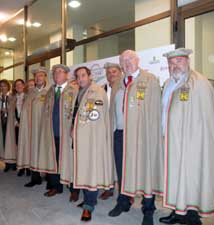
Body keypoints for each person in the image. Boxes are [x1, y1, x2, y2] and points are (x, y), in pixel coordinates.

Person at [159, 48, 214, 225]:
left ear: (187, 61)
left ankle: (192, 217)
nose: (174, 66)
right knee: (174, 176)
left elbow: (205, 118)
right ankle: (177, 212)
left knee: (191, 177)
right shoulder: (169, 83)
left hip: (192, 142)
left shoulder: (199, 82)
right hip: (171, 140)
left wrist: (197, 141)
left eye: (178, 61)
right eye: (171, 63)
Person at [108, 50, 163, 225]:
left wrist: (153, 135)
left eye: (130, 59)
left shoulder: (150, 80)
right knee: (122, 170)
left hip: (142, 135)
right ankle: (123, 202)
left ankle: (148, 209)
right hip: (120, 134)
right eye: (123, 61)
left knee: (145, 171)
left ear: (137, 60)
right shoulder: (119, 83)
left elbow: (155, 110)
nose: (127, 63)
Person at [58, 66, 115, 221]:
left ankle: (89, 205)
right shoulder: (77, 91)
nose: (80, 78)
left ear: (89, 76)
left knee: (91, 170)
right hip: (77, 138)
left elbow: (96, 118)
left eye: (83, 75)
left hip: (91, 140)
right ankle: (86, 198)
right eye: (78, 76)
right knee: (81, 168)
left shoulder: (98, 91)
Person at [38, 64, 80, 200]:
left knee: (71, 160)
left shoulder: (74, 90)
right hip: (52, 132)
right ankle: (56, 186)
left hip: (67, 133)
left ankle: (74, 188)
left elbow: (78, 110)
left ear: (67, 74)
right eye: (55, 73)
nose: (57, 75)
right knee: (54, 159)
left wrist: (74, 128)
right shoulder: (50, 91)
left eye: (60, 72)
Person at [17, 67, 49, 187]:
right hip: (32, 129)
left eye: (40, 76)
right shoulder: (31, 93)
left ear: (45, 77)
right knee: (33, 151)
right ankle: (35, 178)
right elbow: (25, 110)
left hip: (44, 128)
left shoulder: (49, 91)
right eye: (36, 76)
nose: (38, 78)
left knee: (45, 151)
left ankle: (48, 178)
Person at [99, 62, 123, 200]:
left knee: (121, 162)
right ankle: (109, 187)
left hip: (119, 130)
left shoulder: (124, 87)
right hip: (105, 131)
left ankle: (125, 192)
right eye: (108, 72)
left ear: (120, 73)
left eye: (114, 71)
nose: (111, 74)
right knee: (107, 160)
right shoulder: (102, 89)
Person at [13, 79, 31, 177]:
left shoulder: (28, 97)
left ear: (24, 86)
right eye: (17, 85)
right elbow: (11, 112)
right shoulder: (13, 98)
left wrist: (25, 123)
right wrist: (16, 122)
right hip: (17, 124)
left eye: (20, 84)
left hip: (26, 125)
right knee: (19, 146)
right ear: (15, 87)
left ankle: (27, 167)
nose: (19, 86)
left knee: (26, 146)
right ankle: (20, 167)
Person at [0, 79, 17, 172]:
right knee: (4, 142)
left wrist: (8, 110)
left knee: (12, 143)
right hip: (1, 122)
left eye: (4, 86)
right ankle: (7, 163)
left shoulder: (12, 97)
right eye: (1, 86)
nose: (3, 88)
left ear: (8, 87)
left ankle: (13, 163)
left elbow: (15, 109)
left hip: (10, 122)